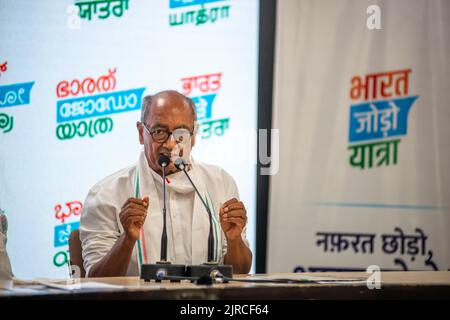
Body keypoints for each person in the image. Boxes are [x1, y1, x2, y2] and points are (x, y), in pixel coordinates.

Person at [79, 90, 252, 277]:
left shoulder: (221, 182)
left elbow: (240, 274)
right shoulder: (106, 194)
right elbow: (95, 282)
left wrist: (234, 239)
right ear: (140, 133)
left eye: (181, 133)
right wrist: (127, 240)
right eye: (159, 132)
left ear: (193, 136)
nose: (170, 144)